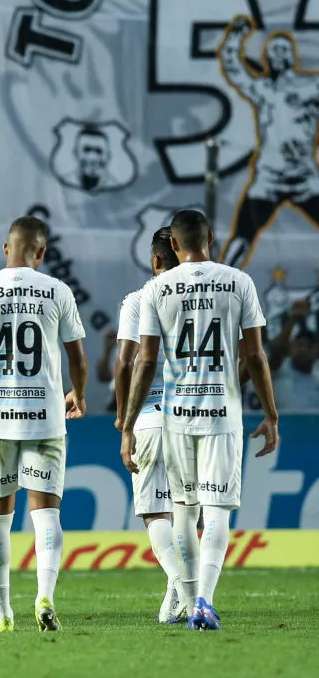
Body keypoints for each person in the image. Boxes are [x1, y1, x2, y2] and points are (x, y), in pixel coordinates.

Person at [122, 209, 279, 631]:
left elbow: (145, 359)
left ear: (173, 245)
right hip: (221, 412)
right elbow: (254, 355)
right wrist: (271, 413)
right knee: (219, 509)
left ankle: (189, 597)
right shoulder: (238, 281)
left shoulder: (157, 290)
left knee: (184, 512)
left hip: (175, 416)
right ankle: (204, 601)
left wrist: (127, 424)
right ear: (212, 236)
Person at [0, 215, 88, 633]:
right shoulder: (57, 290)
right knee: (46, 513)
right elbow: (77, 357)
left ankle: (2, 614)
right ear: (41, 253)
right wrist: (78, 394)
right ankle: (45, 595)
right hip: (45, 415)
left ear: (6, 249)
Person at [113, 227, 188, 623]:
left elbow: (126, 360)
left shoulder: (138, 299)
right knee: (189, 509)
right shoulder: (199, 297)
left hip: (148, 417)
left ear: (156, 259)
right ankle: (185, 590)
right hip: (195, 415)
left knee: (154, 513)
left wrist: (124, 418)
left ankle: (181, 585)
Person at [218, 17, 319, 268]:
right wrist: (234, 40)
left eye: (283, 49)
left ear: (291, 55)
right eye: (272, 50)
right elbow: (235, 71)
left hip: (304, 177)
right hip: (269, 178)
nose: (277, 54)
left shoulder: (310, 86)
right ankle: (220, 282)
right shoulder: (263, 89)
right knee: (244, 234)